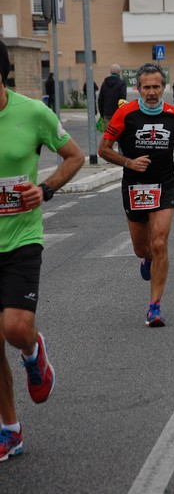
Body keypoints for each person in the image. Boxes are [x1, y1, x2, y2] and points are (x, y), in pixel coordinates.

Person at [0, 40, 85, 462]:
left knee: (14, 328)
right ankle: (10, 429)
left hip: (20, 238)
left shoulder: (32, 113)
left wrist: (46, 188)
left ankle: (33, 351)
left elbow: (74, 155)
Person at [98, 63, 174, 327]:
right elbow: (104, 149)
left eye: (157, 86)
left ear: (164, 87)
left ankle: (154, 306)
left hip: (165, 183)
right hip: (135, 186)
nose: (152, 92)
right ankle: (145, 259)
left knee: (159, 244)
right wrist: (129, 163)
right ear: (138, 88)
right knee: (142, 248)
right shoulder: (126, 114)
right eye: (147, 87)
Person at [98, 64, 127, 132]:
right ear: (119, 72)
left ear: (110, 72)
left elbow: (100, 100)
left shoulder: (104, 83)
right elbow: (122, 99)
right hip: (118, 114)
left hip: (107, 114)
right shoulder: (122, 83)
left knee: (108, 137)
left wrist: (102, 114)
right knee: (118, 135)